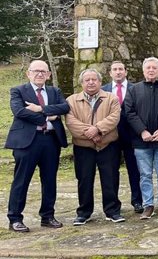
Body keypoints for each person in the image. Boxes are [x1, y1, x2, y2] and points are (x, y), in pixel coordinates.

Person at [7, 60, 69, 232]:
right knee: (21, 180)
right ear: (28, 73)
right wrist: (48, 116)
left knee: (49, 180)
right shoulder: (18, 90)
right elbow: (19, 112)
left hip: (50, 140)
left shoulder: (54, 91)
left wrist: (40, 108)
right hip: (27, 142)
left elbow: (64, 107)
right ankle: (15, 218)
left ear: (49, 75)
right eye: (36, 71)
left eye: (43, 71)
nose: (40, 74)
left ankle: (48, 216)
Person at [66, 69, 124, 225]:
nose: (91, 82)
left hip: (108, 145)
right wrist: (92, 133)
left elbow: (114, 118)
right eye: (87, 80)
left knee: (110, 178)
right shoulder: (71, 100)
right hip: (83, 147)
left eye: (94, 79)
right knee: (84, 179)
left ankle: (112, 211)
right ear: (82, 83)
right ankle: (84, 212)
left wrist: (97, 129)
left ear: (100, 82)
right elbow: (71, 123)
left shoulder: (111, 98)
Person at [126, 57, 158, 219]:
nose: (151, 70)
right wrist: (142, 131)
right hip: (141, 141)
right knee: (145, 174)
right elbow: (129, 112)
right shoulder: (134, 89)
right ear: (143, 70)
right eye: (148, 68)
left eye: (154, 67)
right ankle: (148, 205)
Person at [103, 61, 143, 213]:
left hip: (132, 135)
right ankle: (113, 204)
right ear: (110, 73)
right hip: (111, 136)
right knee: (111, 171)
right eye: (115, 69)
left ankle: (137, 201)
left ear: (126, 72)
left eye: (121, 69)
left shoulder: (136, 89)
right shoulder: (103, 90)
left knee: (135, 170)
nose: (118, 72)